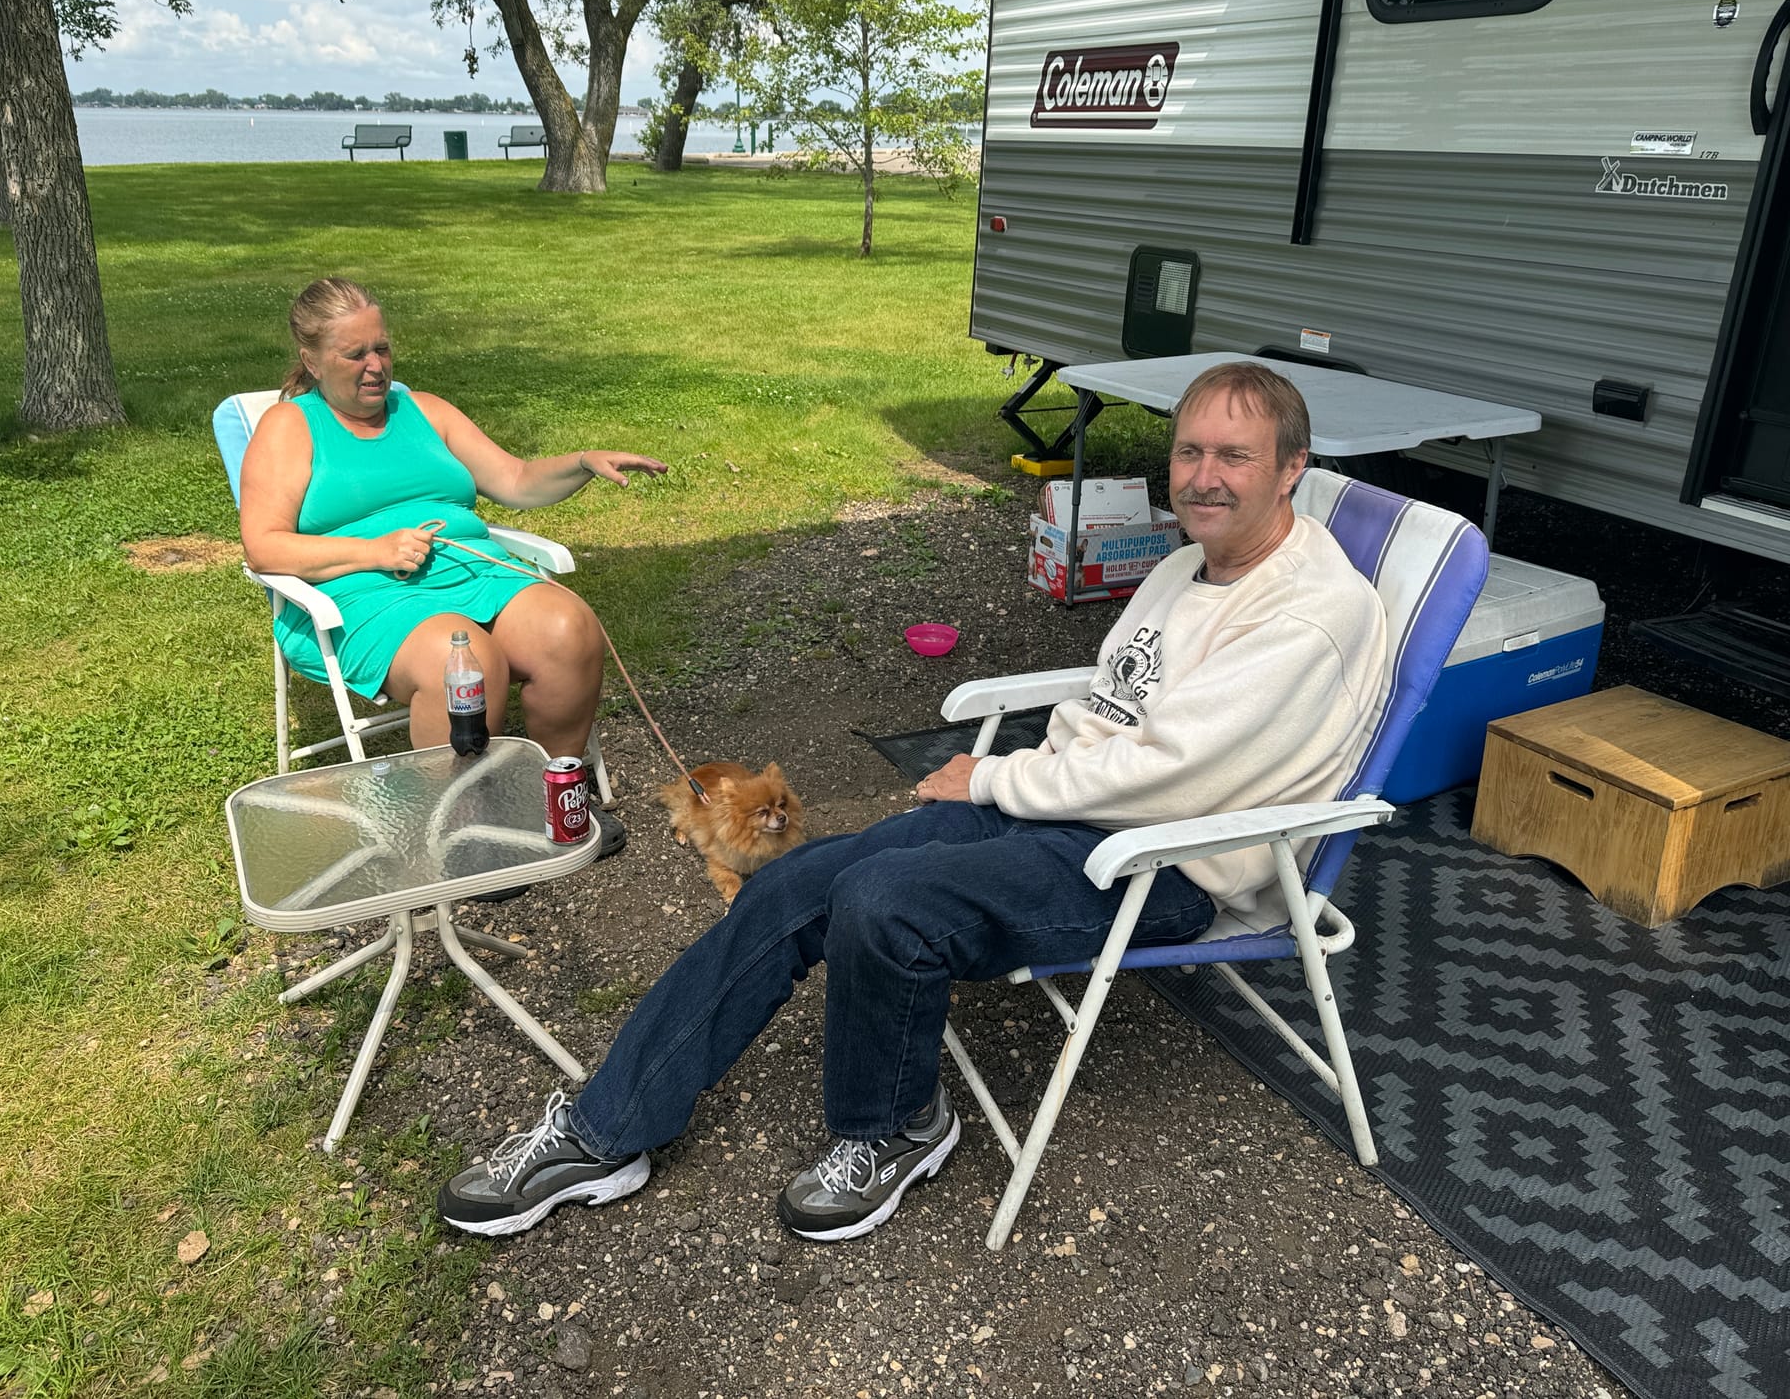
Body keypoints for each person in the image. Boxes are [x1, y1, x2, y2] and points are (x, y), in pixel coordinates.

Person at [437, 362, 1389, 1241]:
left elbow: (1172, 772)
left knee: (886, 901)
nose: (1203, 476)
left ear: (1292, 469)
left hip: (1167, 861)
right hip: (1072, 813)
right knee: (795, 882)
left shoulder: (1307, 615)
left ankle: (896, 1127)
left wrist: (996, 778)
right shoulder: (1193, 564)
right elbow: (1116, 704)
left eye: (1235, 456)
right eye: (1190, 450)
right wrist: (1020, 780)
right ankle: (604, 1127)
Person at [239, 277, 667, 850]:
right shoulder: (290, 426)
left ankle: (559, 796)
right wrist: (374, 551)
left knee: (569, 628)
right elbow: (264, 546)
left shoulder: (424, 410)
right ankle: (461, 826)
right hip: (362, 593)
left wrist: (583, 460)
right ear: (312, 361)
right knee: (466, 661)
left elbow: (514, 478)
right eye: (355, 353)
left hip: (470, 570)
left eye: (382, 348)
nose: (375, 366)